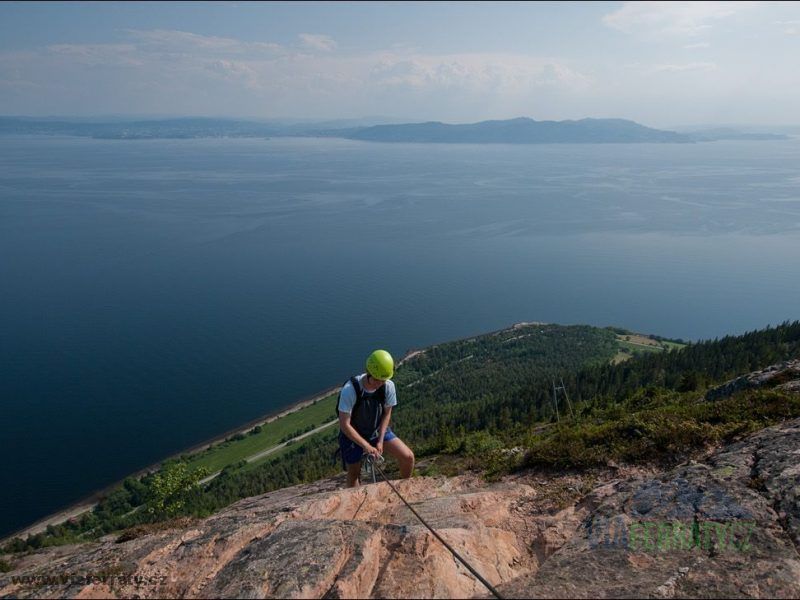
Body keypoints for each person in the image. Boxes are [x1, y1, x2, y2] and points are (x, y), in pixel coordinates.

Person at [337, 349, 415, 487]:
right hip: (352, 435)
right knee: (354, 473)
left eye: (383, 380)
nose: (379, 384)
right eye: (376, 379)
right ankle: (355, 498)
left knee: (408, 457)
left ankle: (403, 489)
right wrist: (366, 445)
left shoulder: (388, 386)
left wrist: (380, 440)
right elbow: (344, 424)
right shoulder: (350, 389)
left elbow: (387, 414)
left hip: (376, 430)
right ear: (368, 372)